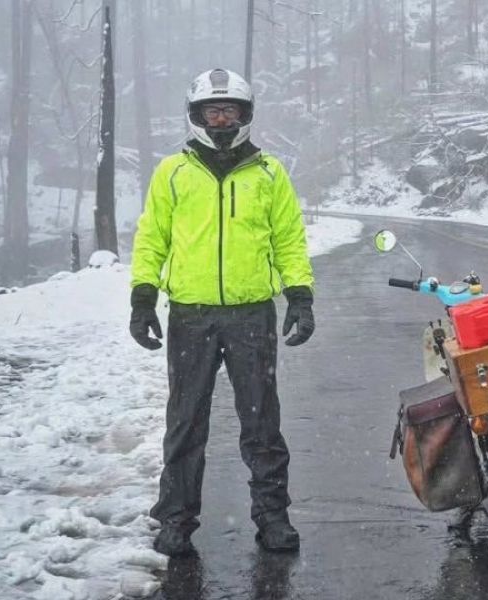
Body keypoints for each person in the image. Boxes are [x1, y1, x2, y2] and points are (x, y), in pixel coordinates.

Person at [129, 68, 315, 557]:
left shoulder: (270, 173)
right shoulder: (171, 172)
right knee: (185, 422)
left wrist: (300, 297)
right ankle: (175, 519)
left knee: (261, 423)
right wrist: (142, 298)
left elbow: (289, 240)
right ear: (196, 116)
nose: (220, 119)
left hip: (252, 315)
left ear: (244, 115)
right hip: (190, 314)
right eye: (212, 111)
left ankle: (273, 517)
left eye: (229, 111)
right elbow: (152, 238)